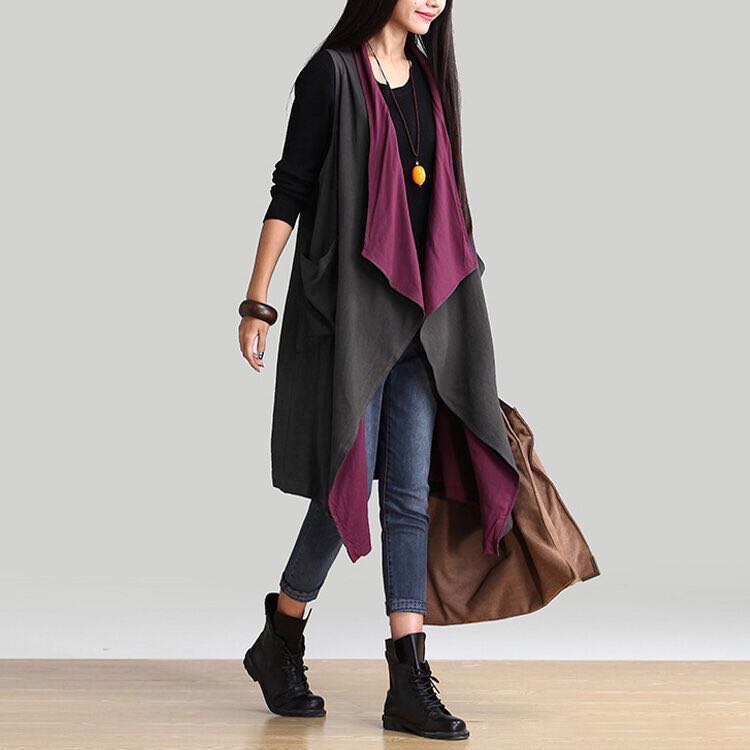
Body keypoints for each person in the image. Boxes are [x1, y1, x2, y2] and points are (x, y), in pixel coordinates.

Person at [237, 0, 600, 742]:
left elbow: (444, 203)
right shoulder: (331, 75)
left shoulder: (431, 79)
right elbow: (289, 190)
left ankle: (406, 677)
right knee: (345, 484)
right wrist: (256, 302)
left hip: (427, 317)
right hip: (353, 319)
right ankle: (282, 634)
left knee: (406, 495)